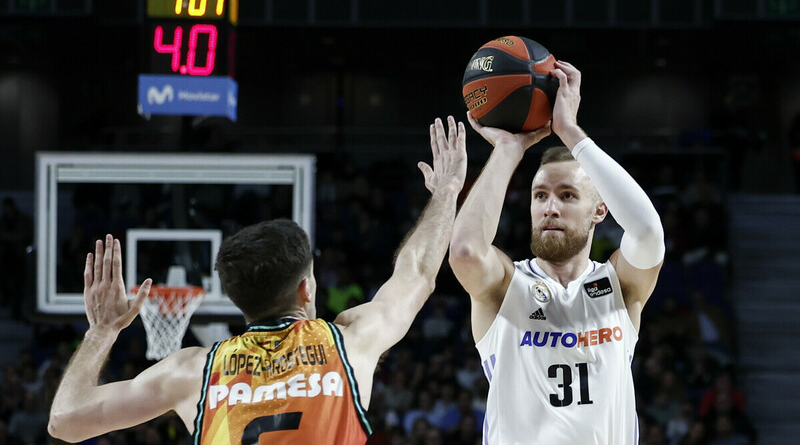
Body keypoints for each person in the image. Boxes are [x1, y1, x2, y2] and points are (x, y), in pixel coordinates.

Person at [47, 116, 467, 444]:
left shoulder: (195, 371)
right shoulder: (350, 342)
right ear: (306, 289)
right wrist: (446, 192)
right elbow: (417, 272)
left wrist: (101, 331)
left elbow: (65, 421)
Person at [448, 60, 665, 443]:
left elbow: (647, 231)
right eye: (540, 195)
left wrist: (570, 133)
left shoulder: (618, 285)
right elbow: (465, 251)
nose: (550, 207)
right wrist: (508, 150)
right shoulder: (506, 285)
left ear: (600, 210)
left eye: (567, 196)